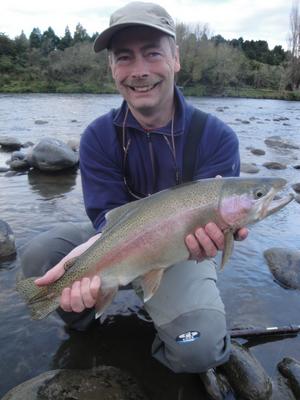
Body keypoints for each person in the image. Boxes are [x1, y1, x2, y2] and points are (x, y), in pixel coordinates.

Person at [20, 1, 248, 376]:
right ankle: (84, 324)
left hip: (180, 255)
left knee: (199, 349)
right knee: (40, 258)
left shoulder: (216, 138)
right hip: (114, 246)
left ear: (176, 59)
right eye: (124, 57)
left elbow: (220, 228)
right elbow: (104, 223)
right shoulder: (96, 137)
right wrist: (86, 265)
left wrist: (224, 234)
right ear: (112, 68)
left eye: (153, 53)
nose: (139, 71)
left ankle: (151, 355)